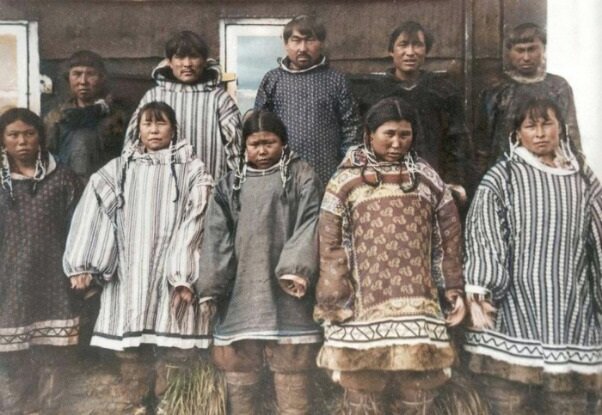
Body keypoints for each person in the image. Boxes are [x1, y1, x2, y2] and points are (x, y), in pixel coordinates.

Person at [314, 97, 465, 414]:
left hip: (418, 305)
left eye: (405, 134)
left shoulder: (426, 178)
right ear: (370, 134)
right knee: (362, 387)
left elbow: (448, 236)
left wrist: (452, 286)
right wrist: (335, 297)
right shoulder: (346, 180)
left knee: (418, 386)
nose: (397, 143)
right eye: (389, 134)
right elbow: (331, 244)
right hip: (362, 306)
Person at [64, 102, 214, 413]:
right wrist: (86, 264)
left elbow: (198, 219)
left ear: (174, 129)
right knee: (131, 342)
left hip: (171, 267)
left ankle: (170, 403)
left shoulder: (193, 170)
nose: (154, 130)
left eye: (161, 124)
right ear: (138, 129)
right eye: (148, 124)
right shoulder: (118, 170)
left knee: (174, 340)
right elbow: (94, 212)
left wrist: (183, 272)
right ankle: (136, 401)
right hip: (130, 268)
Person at [464, 98, 601, 414]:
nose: (540, 133)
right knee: (509, 401)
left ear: (561, 128)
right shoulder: (503, 177)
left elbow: (598, 237)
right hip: (515, 310)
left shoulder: (582, 178)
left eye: (547, 124)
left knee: (569, 403)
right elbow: (485, 234)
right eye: (530, 126)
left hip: (570, 311)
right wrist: (482, 288)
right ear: (516, 134)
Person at [196, 110, 323, 414]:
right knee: (240, 361)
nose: (262, 151)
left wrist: (295, 269)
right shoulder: (230, 184)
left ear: (284, 143)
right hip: (243, 287)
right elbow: (217, 235)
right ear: (244, 147)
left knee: (292, 362)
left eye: (270, 143)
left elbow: (311, 221)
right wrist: (212, 284)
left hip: (289, 286)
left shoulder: (302, 176)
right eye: (254, 144)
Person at [0, 108, 83, 414]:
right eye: (13, 135)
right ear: (2, 140)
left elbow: (81, 227)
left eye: (29, 134)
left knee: (53, 351)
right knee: (10, 352)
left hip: (52, 275)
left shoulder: (63, 178)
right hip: (8, 277)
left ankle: (49, 408)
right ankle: (14, 407)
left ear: (41, 137)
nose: (22, 141)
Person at [353, 21, 472, 200]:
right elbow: (363, 140)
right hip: (386, 182)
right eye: (403, 45)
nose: (410, 52)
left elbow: (457, 140)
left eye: (417, 45)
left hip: (434, 180)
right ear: (391, 51)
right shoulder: (374, 94)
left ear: (426, 51)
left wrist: (454, 180)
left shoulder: (442, 92)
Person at [254, 15, 362, 185]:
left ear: (321, 43)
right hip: (281, 174)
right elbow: (259, 128)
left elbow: (351, 129)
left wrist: (346, 171)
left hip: (327, 174)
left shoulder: (336, 80)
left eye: (310, 40)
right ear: (286, 44)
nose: (302, 48)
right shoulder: (272, 79)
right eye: (296, 40)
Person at [125, 30, 241, 182]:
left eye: (194, 57)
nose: (187, 64)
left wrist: (233, 186)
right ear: (169, 62)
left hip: (209, 185)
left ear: (204, 61)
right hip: (159, 185)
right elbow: (132, 144)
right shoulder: (154, 96)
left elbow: (236, 148)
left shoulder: (219, 98)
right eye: (180, 57)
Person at [474, 23, 581, 178]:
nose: (526, 57)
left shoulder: (558, 87)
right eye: (520, 50)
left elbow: (571, 132)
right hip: (507, 171)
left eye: (532, 49)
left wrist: (577, 168)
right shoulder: (496, 90)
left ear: (543, 49)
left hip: (551, 170)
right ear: (509, 53)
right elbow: (482, 143)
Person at [45, 50, 128, 182]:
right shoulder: (56, 116)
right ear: (68, 78)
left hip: (105, 182)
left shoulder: (117, 114)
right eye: (77, 74)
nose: (83, 81)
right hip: (66, 183)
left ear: (101, 78)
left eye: (90, 74)